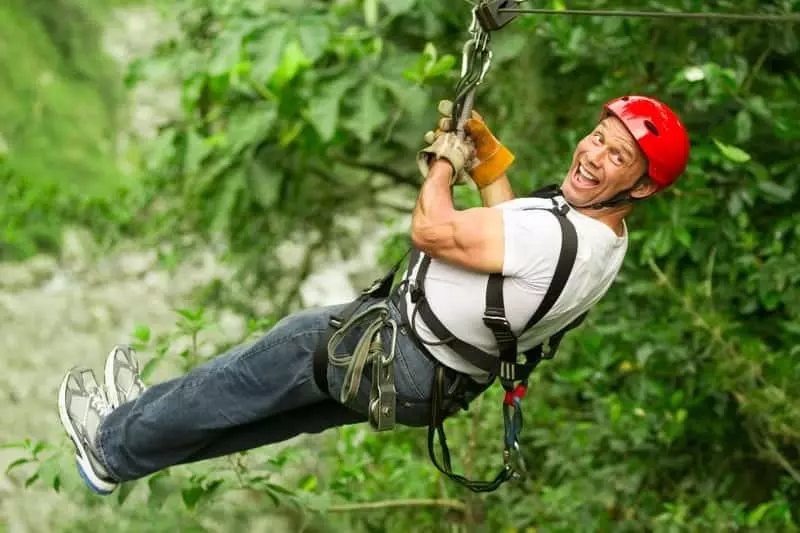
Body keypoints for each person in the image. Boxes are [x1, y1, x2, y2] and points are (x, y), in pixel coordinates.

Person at [57, 95, 690, 495]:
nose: (595, 154)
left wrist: (443, 163)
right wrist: (488, 162)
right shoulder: (604, 239)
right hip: (430, 382)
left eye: (619, 157)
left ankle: (112, 446)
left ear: (639, 188)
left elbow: (431, 230)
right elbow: (510, 243)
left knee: (254, 376)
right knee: (264, 412)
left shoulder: (557, 237)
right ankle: (131, 437)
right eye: (600, 136)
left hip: (398, 351)